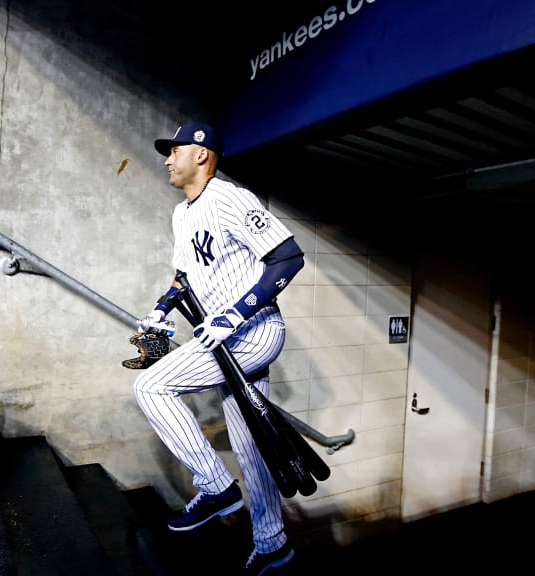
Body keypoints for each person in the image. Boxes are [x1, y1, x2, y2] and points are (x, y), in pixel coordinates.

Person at [132, 121, 305, 575]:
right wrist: (161, 309)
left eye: (175, 150)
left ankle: (214, 485)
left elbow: (288, 257)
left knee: (151, 387)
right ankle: (273, 543)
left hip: (254, 333)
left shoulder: (231, 198)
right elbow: (184, 276)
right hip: (225, 338)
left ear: (202, 155)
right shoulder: (181, 213)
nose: (168, 159)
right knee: (251, 448)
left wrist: (236, 313)